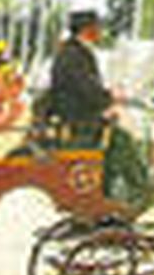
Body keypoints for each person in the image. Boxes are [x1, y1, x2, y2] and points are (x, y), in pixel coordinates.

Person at [47, 10, 146, 200]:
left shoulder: (72, 52)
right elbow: (86, 88)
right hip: (78, 120)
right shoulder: (74, 55)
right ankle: (134, 190)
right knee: (120, 142)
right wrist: (109, 98)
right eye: (97, 27)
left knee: (117, 142)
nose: (100, 32)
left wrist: (106, 100)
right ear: (88, 30)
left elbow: (88, 88)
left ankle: (116, 191)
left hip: (81, 116)